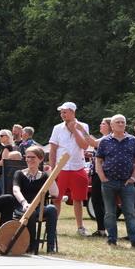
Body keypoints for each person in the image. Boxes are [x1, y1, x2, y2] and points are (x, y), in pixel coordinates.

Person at [95, 114, 135, 248]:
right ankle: (112, 239)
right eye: (118, 122)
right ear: (112, 125)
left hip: (127, 182)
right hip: (108, 182)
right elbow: (98, 160)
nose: (121, 124)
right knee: (110, 212)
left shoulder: (132, 140)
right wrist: (102, 177)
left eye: (123, 122)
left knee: (130, 212)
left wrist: (133, 177)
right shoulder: (105, 141)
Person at [48, 101, 95, 236]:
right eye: (61, 112)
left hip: (77, 167)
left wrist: (75, 130)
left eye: (65, 112)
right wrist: (52, 169)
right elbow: (52, 150)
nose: (62, 114)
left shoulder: (83, 126)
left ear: (73, 112)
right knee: (56, 198)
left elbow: (84, 146)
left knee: (78, 199)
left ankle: (80, 227)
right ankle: (52, 228)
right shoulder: (57, 128)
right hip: (60, 168)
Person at [12, 145, 59, 253]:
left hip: (39, 208)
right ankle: (31, 246)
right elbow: (16, 190)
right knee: (31, 211)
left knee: (52, 209)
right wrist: (24, 203)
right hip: (22, 207)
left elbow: (55, 193)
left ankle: (50, 247)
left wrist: (50, 175)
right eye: (27, 157)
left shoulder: (44, 176)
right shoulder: (19, 174)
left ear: (40, 159)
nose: (29, 159)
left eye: (32, 157)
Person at [88, 117, 112, 237]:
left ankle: (103, 229)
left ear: (110, 126)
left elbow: (93, 143)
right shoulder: (105, 138)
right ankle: (102, 228)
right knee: (98, 201)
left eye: (103, 124)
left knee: (99, 201)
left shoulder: (108, 138)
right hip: (97, 173)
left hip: (102, 173)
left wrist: (80, 129)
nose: (100, 125)